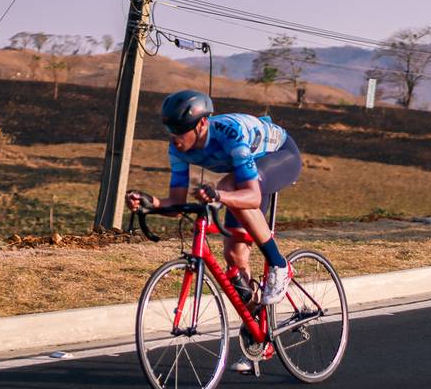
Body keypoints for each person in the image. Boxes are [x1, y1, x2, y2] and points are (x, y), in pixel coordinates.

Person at [126, 89, 302, 373]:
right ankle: (259, 335)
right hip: (245, 175)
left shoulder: (230, 135)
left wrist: (219, 196)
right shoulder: (177, 149)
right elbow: (176, 203)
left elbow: (252, 196)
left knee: (227, 187)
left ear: (201, 124)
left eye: (180, 130)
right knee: (234, 256)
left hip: (280, 155)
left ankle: (280, 265)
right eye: (170, 129)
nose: (174, 136)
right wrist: (151, 203)